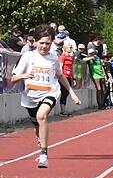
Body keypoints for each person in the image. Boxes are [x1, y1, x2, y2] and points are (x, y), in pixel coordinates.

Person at [10, 24, 81, 168]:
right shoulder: (28, 56)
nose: (44, 46)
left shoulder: (54, 58)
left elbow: (60, 76)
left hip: (50, 92)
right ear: (35, 42)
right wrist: (24, 75)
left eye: (47, 43)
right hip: (30, 97)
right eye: (41, 43)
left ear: (52, 42)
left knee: (41, 116)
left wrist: (72, 93)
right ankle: (41, 139)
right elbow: (13, 78)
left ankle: (44, 154)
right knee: (37, 126)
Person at [58, 44, 76, 116]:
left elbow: (71, 67)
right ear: (65, 48)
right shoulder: (62, 57)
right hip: (64, 76)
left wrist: (73, 77)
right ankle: (62, 111)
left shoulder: (71, 57)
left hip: (69, 76)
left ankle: (63, 110)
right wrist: (61, 76)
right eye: (70, 47)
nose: (71, 48)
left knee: (66, 93)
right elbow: (60, 67)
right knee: (64, 92)